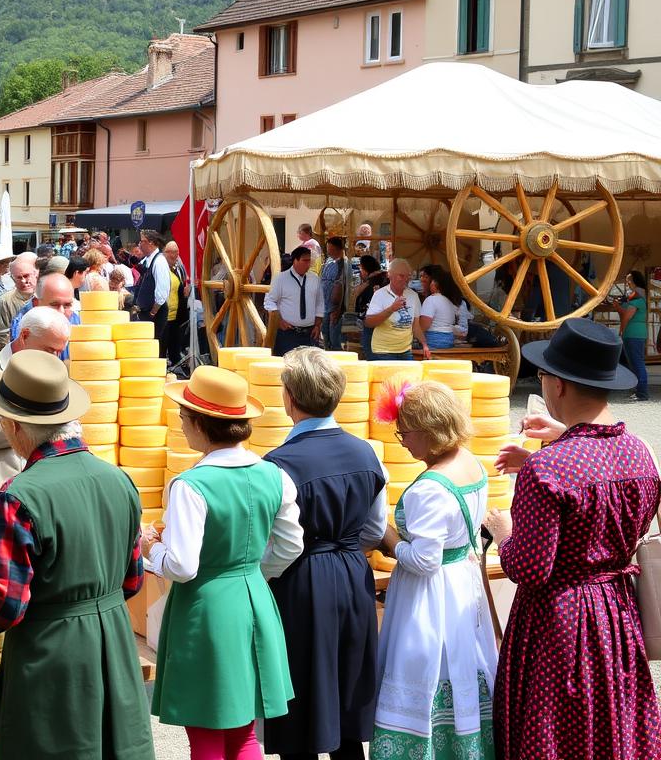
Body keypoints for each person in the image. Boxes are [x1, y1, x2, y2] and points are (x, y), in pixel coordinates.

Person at [0, 350, 154, 760]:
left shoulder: (15, 497)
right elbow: (133, 579)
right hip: (113, 646)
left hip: (51, 659)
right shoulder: (120, 481)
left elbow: (3, 610)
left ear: (14, 427)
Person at [486, 318, 661, 760]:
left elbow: (529, 567)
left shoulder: (546, 470)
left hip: (558, 623)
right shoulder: (640, 453)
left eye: (543, 376)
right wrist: (555, 446)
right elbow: (603, 474)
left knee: (555, 733)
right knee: (610, 724)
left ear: (558, 386)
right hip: (616, 613)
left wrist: (503, 530)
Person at [143, 365, 304, 760]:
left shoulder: (191, 484)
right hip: (254, 599)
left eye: (184, 418)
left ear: (201, 424)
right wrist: (252, 571)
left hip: (206, 610)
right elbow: (291, 544)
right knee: (243, 731)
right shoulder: (274, 474)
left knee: (206, 733)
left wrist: (151, 550)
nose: (182, 426)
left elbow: (182, 565)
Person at [263, 348, 387, 760]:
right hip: (353, 572)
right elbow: (373, 528)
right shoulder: (367, 452)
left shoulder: (278, 463)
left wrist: (265, 576)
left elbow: (279, 543)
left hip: (302, 578)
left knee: (300, 698)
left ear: (290, 399)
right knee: (345, 690)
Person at [370, 380, 496, 759]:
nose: (402, 442)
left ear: (429, 431)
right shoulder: (472, 463)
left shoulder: (429, 489)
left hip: (431, 598)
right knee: (465, 665)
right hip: (463, 584)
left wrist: (388, 538)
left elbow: (426, 561)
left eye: (405, 433)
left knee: (426, 671)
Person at [0, 306, 70, 494]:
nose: (55, 358)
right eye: (49, 350)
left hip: (39, 490)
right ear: (24, 335)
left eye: (60, 352)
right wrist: (29, 421)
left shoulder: (55, 377)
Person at [264, 246, 325, 356]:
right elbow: (269, 301)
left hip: (310, 334)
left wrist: (317, 325)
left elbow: (320, 303)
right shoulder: (281, 279)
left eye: (309, 261)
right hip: (288, 334)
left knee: (310, 367)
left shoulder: (314, 279)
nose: (308, 264)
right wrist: (278, 321)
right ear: (295, 260)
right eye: (304, 261)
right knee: (287, 366)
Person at [365, 258, 428, 360]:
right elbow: (369, 322)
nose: (405, 279)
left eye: (408, 276)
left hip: (405, 351)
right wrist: (391, 309)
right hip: (383, 351)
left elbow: (415, 326)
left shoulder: (413, 296)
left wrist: (424, 344)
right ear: (390, 275)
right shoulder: (380, 294)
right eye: (401, 276)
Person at [8, 272, 80, 354]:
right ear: (36, 303)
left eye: (67, 305)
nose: (61, 312)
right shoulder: (23, 327)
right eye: (55, 305)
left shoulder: (77, 322)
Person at [610, 269, 650, 401]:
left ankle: (642, 393)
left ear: (635, 281)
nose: (627, 283)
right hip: (634, 333)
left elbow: (626, 317)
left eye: (629, 280)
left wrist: (621, 329)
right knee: (634, 363)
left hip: (634, 334)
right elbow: (625, 313)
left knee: (637, 363)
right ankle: (639, 391)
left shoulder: (638, 296)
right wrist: (618, 307)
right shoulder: (637, 296)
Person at [132, 230, 172, 357]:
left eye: (142, 241)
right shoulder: (148, 260)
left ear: (151, 243)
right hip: (147, 311)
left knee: (153, 347)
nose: (139, 245)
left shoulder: (159, 261)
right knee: (146, 347)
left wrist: (152, 312)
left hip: (155, 311)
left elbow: (162, 291)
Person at [0, 252, 37, 349]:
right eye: (18, 277)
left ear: (35, 274)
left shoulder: (44, 296)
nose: (23, 281)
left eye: (26, 276)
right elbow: (1, 335)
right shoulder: (6, 301)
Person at [353, 255, 388, 360]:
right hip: (386, 326)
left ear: (365, 269)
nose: (360, 272)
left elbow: (362, 306)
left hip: (371, 325)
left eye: (361, 269)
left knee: (372, 358)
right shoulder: (386, 279)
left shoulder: (370, 284)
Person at [418, 266, 461, 350]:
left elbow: (424, 326)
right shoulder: (448, 300)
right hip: (449, 339)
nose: (422, 280)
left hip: (434, 341)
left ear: (436, 283)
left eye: (426, 277)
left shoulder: (431, 300)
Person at [163, 241, 190, 367]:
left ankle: (176, 368)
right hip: (165, 314)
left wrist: (185, 293)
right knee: (163, 346)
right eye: (173, 252)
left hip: (176, 314)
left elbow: (181, 284)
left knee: (175, 345)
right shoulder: (162, 269)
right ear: (166, 253)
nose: (176, 255)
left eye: (177, 252)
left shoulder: (178, 268)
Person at [320, 237, 347, 352]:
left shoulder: (343, 264)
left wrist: (337, 309)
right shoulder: (329, 262)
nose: (328, 251)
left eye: (329, 248)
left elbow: (342, 287)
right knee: (325, 334)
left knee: (334, 339)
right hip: (325, 304)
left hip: (334, 307)